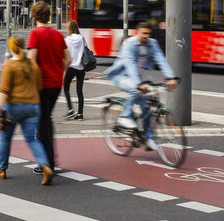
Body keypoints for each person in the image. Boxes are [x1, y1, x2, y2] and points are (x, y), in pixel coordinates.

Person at [104, 22, 178, 150]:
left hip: (137, 78)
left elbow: (161, 60)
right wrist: (139, 84)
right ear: (137, 32)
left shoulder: (152, 43)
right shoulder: (129, 44)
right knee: (135, 89)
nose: (146, 36)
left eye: (149, 33)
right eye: (144, 33)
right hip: (121, 76)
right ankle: (124, 117)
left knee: (147, 106)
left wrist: (171, 77)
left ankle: (147, 138)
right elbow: (130, 65)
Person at [0, 36, 53, 185]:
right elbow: (38, 86)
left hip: (14, 107)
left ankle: (2, 170)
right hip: (33, 107)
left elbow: (4, 90)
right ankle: (45, 166)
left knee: (5, 138)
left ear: (11, 47)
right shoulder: (32, 63)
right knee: (32, 139)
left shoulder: (10, 65)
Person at [27, 1, 71, 174]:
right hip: (56, 84)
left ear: (34, 16)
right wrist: (58, 70)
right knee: (45, 119)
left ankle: (48, 164)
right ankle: (47, 161)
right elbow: (68, 59)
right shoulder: (58, 34)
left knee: (43, 122)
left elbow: (31, 60)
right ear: (49, 15)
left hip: (41, 84)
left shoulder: (35, 34)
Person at [62, 20, 87, 120]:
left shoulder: (67, 39)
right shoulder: (82, 38)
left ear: (69, 28)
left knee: (66, 88)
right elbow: (86, 50)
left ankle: (70, 110)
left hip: (71, 67)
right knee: (79, 91)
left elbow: (64, 53)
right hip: (81, 68)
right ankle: (80, 114)